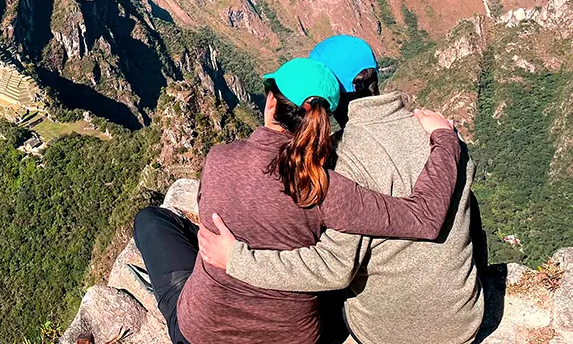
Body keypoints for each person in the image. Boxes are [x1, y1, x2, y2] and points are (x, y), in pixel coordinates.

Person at [133, 57, 462, 344]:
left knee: (152, 220)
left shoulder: (219, 159)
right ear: (323, 119)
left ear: (271, 103)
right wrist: (444, 138)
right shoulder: (325, 187)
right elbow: (425, 218)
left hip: (202, 334)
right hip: (294, 336)